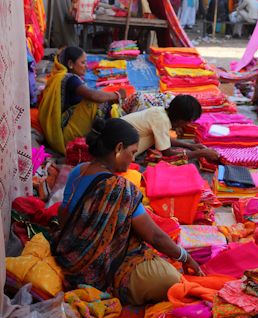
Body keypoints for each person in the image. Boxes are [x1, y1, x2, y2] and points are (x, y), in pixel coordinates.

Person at [54, 117, 202, 306]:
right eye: (132, 152)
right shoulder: (120, 188)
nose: (133, 159)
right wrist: (185, 257)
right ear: (118, 148)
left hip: (70, 256)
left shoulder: (78, 171)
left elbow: (63, 215)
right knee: (171, 280)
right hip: (101, 270)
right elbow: (155, 237)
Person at [38, 47, 127, 154]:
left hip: (58, 133)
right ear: (70, 64)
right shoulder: (71, 79)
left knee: (101, 97)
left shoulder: (59, 76)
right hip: (65, 136)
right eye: (83, 62)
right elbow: (94, 96)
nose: (87, 66)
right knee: (98, 102)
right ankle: (100, 143)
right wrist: (117, 95)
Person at [123, 94, 219, 162]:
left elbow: (164, 140)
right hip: (117, 151)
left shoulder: (159, 112)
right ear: (182, 120)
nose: (188, 124)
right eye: (190, 121)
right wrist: (201, 153)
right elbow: (168, 153)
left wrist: (190, 146)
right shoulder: (162, 121)